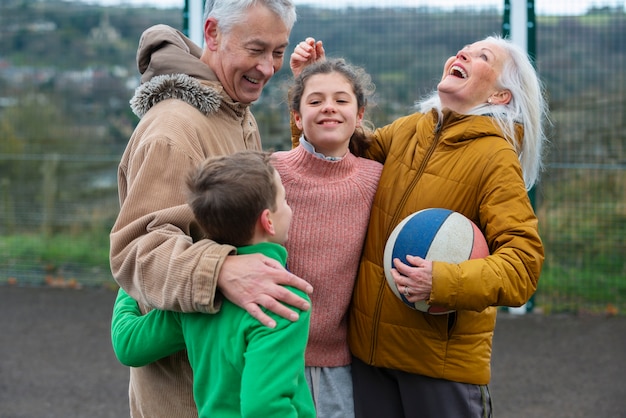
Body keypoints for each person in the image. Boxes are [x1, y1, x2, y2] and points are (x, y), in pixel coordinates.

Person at [290, 35, 549, 417]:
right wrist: (316, 85)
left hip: (437, 369)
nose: (463, 53)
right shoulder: (410, 130)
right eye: (465, 48)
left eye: (483, 56)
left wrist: (442, 281)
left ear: (499, 97)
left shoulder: (495, 157)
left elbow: (523, 266)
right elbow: (333, 155)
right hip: (370, 358)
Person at [109, 2, 313, 417]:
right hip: (184, 398)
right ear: (213, 33)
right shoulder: (173, 131)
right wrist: (219, 270)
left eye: (278, 51)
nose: (269, 67)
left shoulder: (235, 112)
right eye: (256, 49)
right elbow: (136, 252)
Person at [111, 151, 315, 418]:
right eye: (285, 200)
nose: (289, 208)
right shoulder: (282, 299)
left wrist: (132, 283)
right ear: (268, 221)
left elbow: (129, 344)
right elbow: (264, 407)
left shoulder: (196, 300)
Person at [272, 58, 382, 417]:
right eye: (315, 101)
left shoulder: (377, 179)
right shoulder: (269, 172)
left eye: (341, 100)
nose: (329, 108)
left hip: (342, 365)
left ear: (360, 113)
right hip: (271, 354)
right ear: (297, 117)